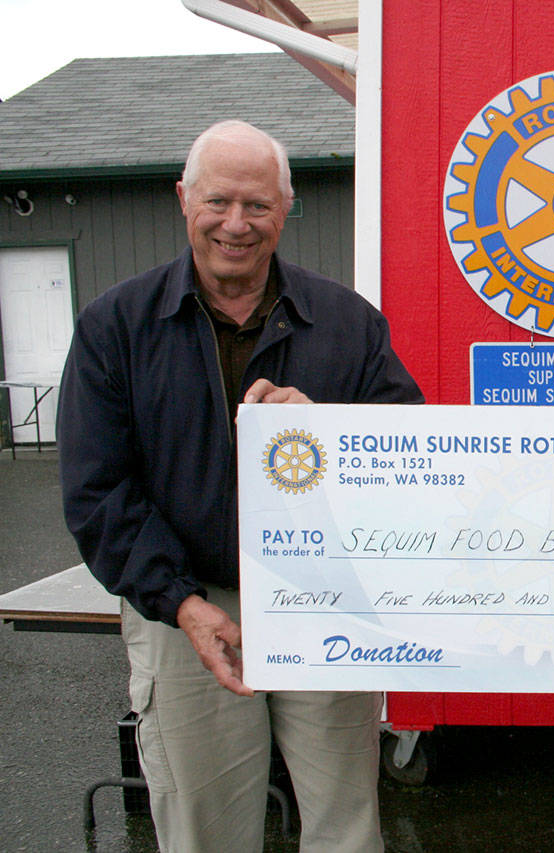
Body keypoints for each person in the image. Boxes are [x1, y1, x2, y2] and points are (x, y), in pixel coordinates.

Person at [58, 120, 423, 851]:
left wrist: (326, 430)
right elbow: (98, 490)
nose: (236, 223)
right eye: (218, 201)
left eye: (257, 205)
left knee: (347, 824)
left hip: (321, 596)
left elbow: (407, 455)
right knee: (207, 828)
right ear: (183, 199)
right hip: (187, 605)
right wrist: (181, 602)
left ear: (285, 210)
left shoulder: (348, 323)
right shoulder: (116, 327)